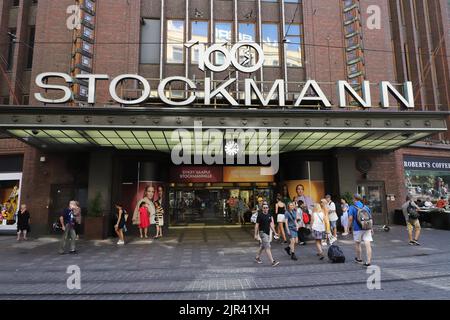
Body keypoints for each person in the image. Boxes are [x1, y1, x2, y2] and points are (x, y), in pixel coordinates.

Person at [348, 194, 373, 267]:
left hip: (357, 228)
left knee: (358, 243)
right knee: (368, 244)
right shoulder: (366, 207)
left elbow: (350, 219)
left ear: (354, 199)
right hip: (367, 227)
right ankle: (368, 261)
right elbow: (370, 218)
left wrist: (347, 228)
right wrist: (371, 228)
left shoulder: (352, 207)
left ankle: (359, 259)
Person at [254, 202, 280, 267]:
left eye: (266, 208)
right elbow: (257, 225)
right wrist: (255, 234)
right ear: (262, 209)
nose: (265, 209)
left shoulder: (269, 215)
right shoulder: (260, 215)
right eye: (264, 208)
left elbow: (271, 225)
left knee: (263, 246)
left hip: (267, 233)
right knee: (267, 247)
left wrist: (275, 232)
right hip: (262, 233)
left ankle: (257, 257)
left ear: (268, 208)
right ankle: (272, 262)